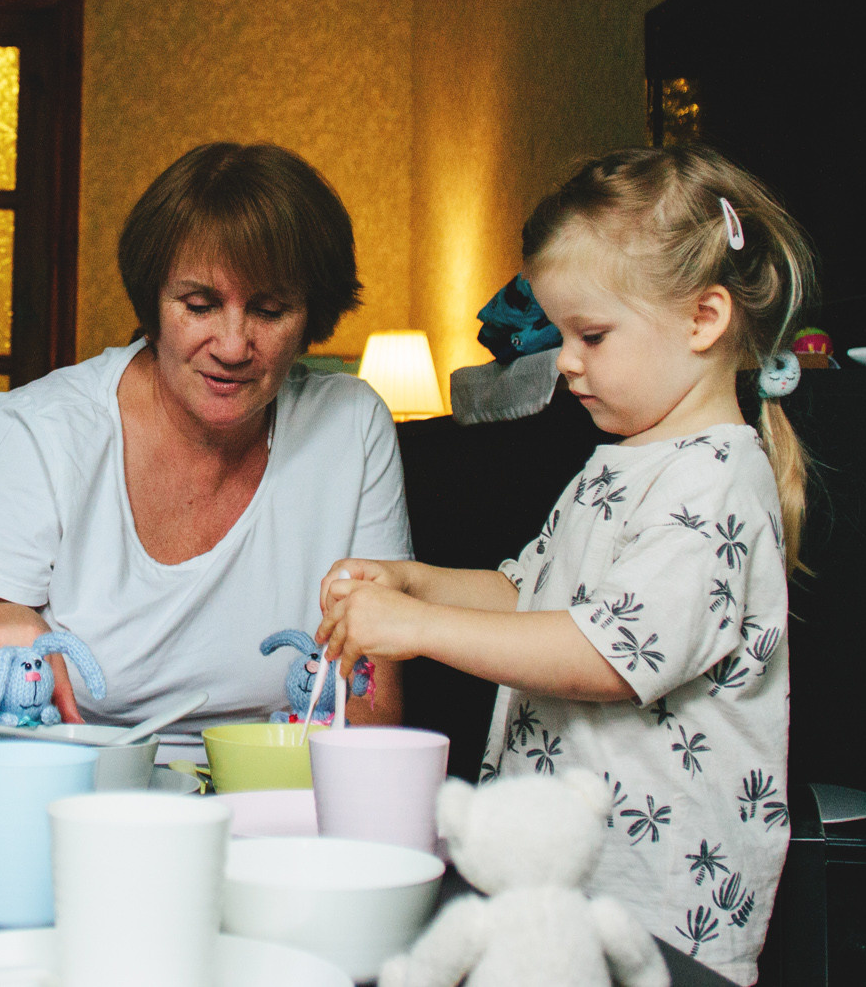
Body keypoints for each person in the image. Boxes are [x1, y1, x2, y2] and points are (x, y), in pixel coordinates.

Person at [316, 145, 812, 986]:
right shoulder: (619, 460)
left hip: (658, 911)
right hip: (567, 896)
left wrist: (421, 627)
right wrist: (410, 580)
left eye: (592, 335)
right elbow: (528, 596)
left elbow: (606, 657)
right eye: (561, 333)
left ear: (703, 319)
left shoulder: (716, 481)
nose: (567, 360)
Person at [0, 143, 413, 764]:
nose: (233, 346)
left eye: (270, 311)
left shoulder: (351, 428)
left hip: (275, 793)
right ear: (153, 305)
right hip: (71, 792)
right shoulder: (37, 433)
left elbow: (372, 713)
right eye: (199, 306)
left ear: (311, 319)